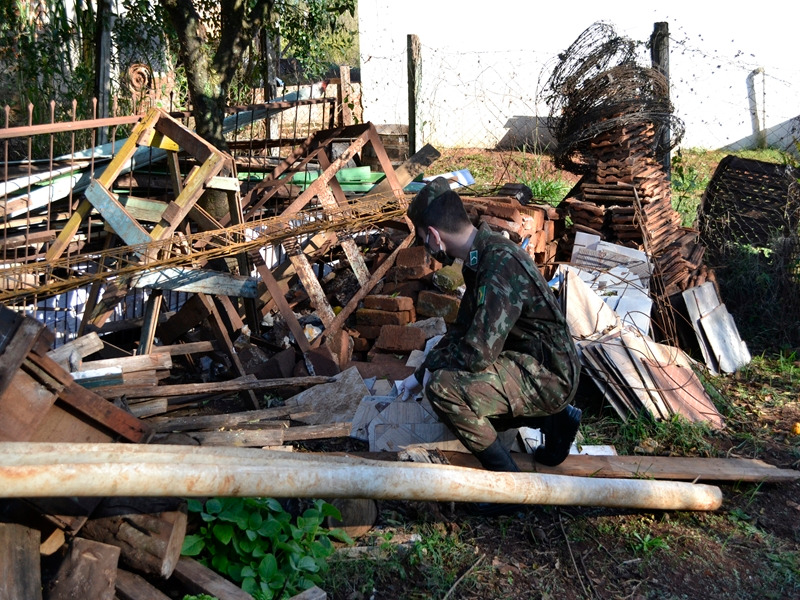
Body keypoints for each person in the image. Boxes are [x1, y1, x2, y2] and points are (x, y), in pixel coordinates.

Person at [398, 177, 582, 474]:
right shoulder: (482, 255)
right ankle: (554, 421)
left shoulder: (497, 264)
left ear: (433, 235)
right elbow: (463, 331)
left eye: (422, 239)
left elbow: (477, 354)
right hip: (529, 363)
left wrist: (431, 370)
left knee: (445, 389)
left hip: (549, 376)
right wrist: (419, 374)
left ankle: (505, 481)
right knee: (453, 384)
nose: (426, 247)